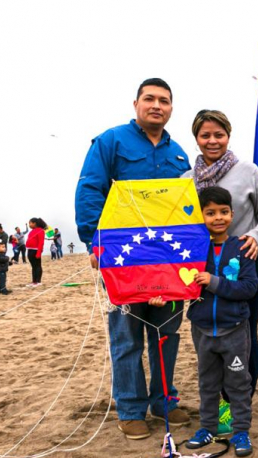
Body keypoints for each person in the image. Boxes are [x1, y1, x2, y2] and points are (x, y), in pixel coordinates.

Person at [75, 78, 191, 440]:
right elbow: (90, 189)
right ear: (136, 103)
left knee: (166, 334)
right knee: (126, 336)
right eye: (150, 99)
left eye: (164, 101)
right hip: (122, 257)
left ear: (171, 108)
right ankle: (130, 408)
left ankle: (164, 401)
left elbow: (188, 208)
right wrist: (94, 242)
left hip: (168, 260)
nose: (157, 105)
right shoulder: (111, 141)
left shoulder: (179, 154)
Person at [183, 110, 258, 434]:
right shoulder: (186, 180)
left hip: (245, 266)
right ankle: (217, 402)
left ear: (228, 135)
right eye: (205, 135)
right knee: (209, 336)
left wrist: (256, 236)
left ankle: (238, 403)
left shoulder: (248, 171)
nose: (212, 141)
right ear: (196, 138)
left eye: (219, 134)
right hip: (201, 272)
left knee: (244, 335)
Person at [181, 186, 258, 457]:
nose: (218, 218)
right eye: (210, 213)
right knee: (207, 383)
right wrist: (161, 296)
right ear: (201, 216)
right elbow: (177, 283)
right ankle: (208, 428)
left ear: (232, 214)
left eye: (224, 212)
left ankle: (241, 431)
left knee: (238, 383)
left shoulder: (242, 247)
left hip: (234, 329)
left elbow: (249, 288)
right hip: (202, 329)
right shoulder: (193, 249)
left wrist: (213, 282)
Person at [26, 217, 47, 286]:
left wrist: (39, 252)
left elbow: (41, 242)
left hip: (36, 250)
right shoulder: (32, 231)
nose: (29, 224)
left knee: (37, 266)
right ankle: (34, 281)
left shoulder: (40, 230)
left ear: (34, 223)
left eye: (30, 223)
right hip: (30, 250)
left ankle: (38, 281)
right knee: (33, 267)